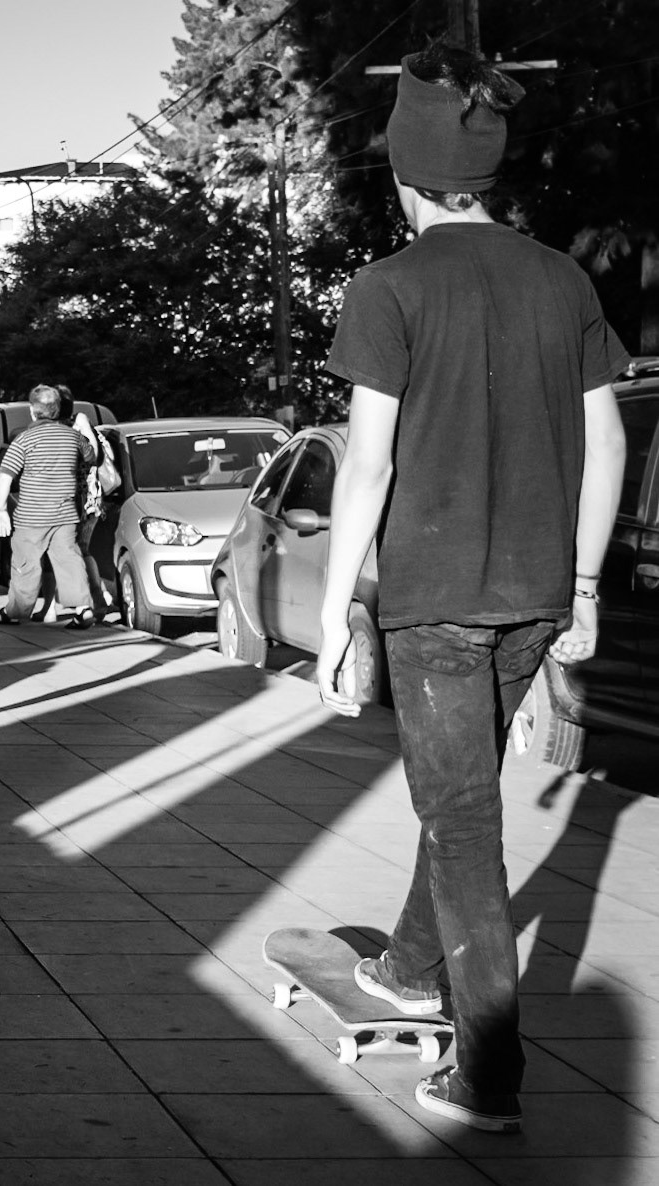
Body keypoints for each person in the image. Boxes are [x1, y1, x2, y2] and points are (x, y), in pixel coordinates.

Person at [315, 46, 627, 1135]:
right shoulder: (562, 278)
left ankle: (485, 1075)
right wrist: (584, 586)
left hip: (435, 600)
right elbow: (605, 436)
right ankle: (411, 966)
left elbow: (367, 463)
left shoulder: (388, 287)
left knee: (459, 823)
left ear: (403, 174)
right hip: (536, 594)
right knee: (461, 800)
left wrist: (330, 611)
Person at [0, 385, 97, 630]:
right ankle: (83, 608)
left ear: (33, 412)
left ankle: (15, 611)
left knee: (26, 563)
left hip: (31, 516)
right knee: (69, 560)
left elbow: (5, 476)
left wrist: (1, 510)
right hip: (65, 515)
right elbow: (91, 456)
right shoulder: (72, 437)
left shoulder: (24, 439)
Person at [75, 409, 120, 623]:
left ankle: (93, 602)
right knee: (82, 550)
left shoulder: (77, 427)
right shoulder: (81, 427)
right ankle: (97, 600)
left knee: (77, 551)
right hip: (89, 500)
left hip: (81, 501)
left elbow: (94, 458)